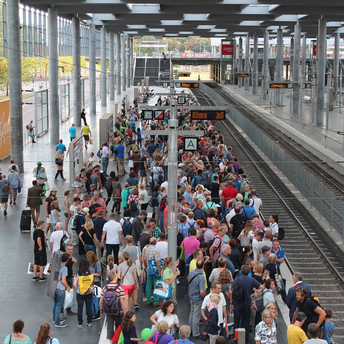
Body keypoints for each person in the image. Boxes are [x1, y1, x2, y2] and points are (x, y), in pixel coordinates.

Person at [232, 265, 264, 344]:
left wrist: (231, 303)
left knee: (236, 321)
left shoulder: (237, 279)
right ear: (249, 271)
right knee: (245, 321)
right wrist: (254, 293)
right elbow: (262, 287)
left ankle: (236, 339)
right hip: (247, 303)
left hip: (238, 302)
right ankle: (245, 339)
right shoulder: (251, 280)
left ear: (241, 272)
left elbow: (232, 291)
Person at [100, 271, 126, 341]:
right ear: (115, 278)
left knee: (110, 327)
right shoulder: (120, 288)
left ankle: (111, 341)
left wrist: (101, 309)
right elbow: (122, 302)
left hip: (108, 311)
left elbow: (101, 301)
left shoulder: (105, 288)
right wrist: (125, 311)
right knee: (119, 327)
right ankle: (117, 340)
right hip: (118, 311)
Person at [73, 258, 94, 328]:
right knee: (89, 307)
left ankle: (80, 323)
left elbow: (74, 284)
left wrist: (79, 288)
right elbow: (92, 283)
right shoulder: (90, 273)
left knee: (80, 308)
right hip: (89, 292)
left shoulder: (78, 274)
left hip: (80, 293)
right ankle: (89, 321)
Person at [188, 259, 206, 339]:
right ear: (203, 266)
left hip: (191, 295)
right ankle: (195, 333)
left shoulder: (191, 272)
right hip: (197, 297)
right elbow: (202, 291)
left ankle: (190, 330)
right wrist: (205, 297)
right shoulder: (201, 277)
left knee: (192, 313)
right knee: (196, 315)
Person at [53, 253, 70, 328]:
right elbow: (63, 280)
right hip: (61, 288)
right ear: (67, 260)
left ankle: (54, 318)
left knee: (55, 304)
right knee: (59, 305)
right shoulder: (64, 268)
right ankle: (57, 322)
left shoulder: (57, 265)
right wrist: (67, 287)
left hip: (54, 287)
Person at [143, 238, 161, 306]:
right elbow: (157, 262)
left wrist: (146, 267)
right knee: (156, 284)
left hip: (148, 269)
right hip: (155, 270)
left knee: (148, 285)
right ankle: (156, 301)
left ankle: (148, 300)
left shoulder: (146, 249)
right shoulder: (156, 250)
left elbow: (144, 259)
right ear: (155, 243)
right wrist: (159, 271)